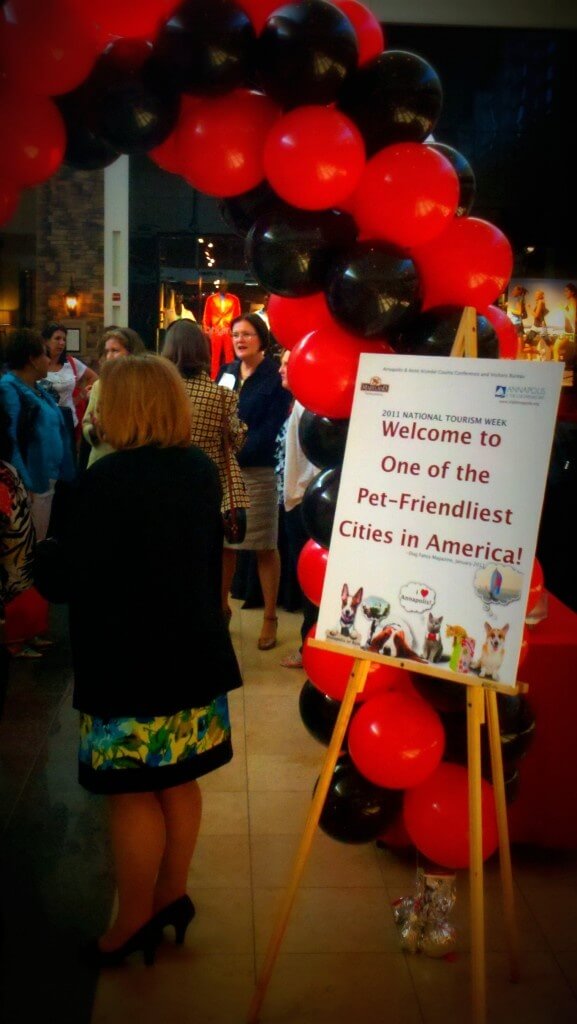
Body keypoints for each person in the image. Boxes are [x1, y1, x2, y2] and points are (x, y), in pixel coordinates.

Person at [62, 353, 242, 966]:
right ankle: (171, 895)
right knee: (178, 780)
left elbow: (73, 576)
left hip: (127, 661)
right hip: (191, 653)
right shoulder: (197, 470)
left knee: (130, 791)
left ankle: (134, 918)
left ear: (120, 407)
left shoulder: (106, 480)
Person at [161, 320, 249, 620]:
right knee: (209, 553)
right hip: (207, 486)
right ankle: (215, 609)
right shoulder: (221, 395)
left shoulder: (160, 392)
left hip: (164, 483)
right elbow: (237, 440)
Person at [217, 314, 292, 650]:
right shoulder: (227, 372)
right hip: (226, 470)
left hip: (258, 470)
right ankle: (221, 610)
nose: (240, 339)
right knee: (225, 544)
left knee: (264, 545)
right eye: (235, 334)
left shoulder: (274, 376)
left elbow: (271, 428)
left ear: (261, 338)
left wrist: (236, 449)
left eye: (247, 334)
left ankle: (270, 617)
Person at [0, 329, 75, 541]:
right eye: (44, 354)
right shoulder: (9, 389)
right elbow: (10, 440)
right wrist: (24, 484)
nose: (49, 360)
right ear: (32, 360)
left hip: (47, 477)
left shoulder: (38, 389)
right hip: (31, 482)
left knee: (40, 538)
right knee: (29, 543)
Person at [276, 350, 319, 668]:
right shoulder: (298, 403)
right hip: (295, 499)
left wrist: (297, 495)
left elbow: (311, 463)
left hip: (303, 502)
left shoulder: (309, 406)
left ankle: (310, 648)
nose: (281, 369)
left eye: (287, 364)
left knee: (311, 582)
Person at [81, 327, 146, 468]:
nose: (109, 356)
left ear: (131, 353)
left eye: (115, 350)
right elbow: (86, 423)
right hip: (102, 460)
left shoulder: (144, 385)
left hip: (134, 461)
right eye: (107, 351)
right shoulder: (100, 385)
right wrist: (96, 431)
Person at [42, 322, 98, 445]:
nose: (61, 343)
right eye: (57, 338)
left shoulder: (71, 362)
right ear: (46, 341)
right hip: (44, 421)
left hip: (68, 420)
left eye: (64, 339)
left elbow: (94, 377)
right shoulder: (39, 363)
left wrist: (80, 397)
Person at [202, 278, 241, 380]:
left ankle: (230, 377)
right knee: (215, 357)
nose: (223, 287)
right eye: (221, 285)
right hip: (216, 330)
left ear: (227, 286)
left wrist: (235, 331)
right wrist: (207, 330)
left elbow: (237, 315)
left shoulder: (234, 299)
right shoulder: (211, 299)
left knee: (229, 356)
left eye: (225, 285)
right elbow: (206, 315)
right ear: (218, 286)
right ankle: (214, 378)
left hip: (228, 330)